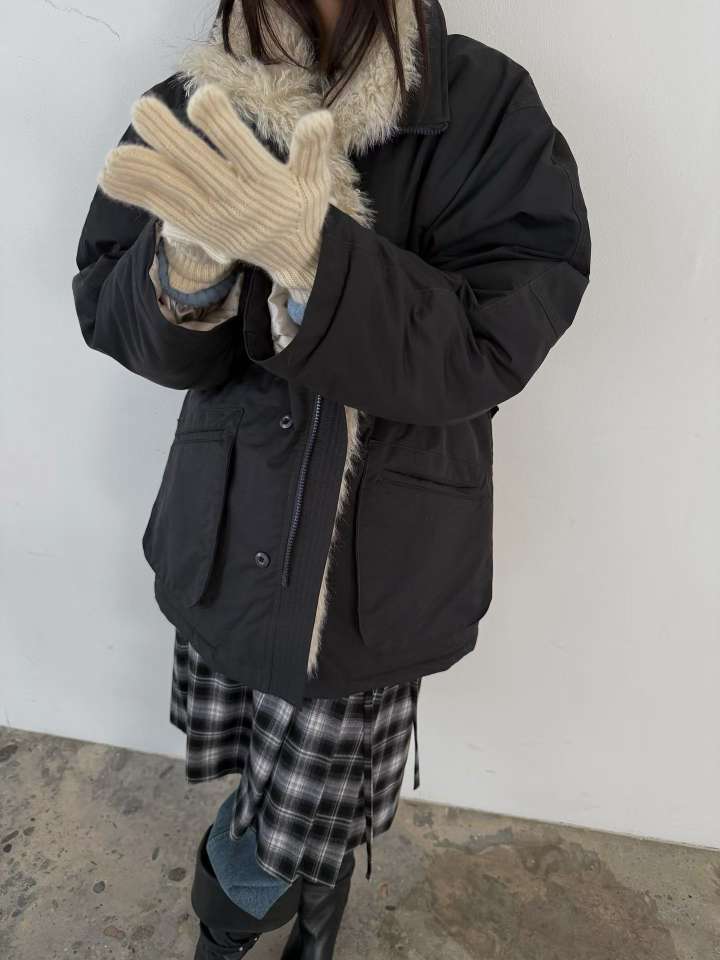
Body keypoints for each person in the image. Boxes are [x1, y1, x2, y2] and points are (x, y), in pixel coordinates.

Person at [71, 0, 591, 956]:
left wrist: (319, 263)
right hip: (229, 529)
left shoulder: (484, 103)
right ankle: (316, 909)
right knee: (272, 784)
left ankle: (229, 922)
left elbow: (493, 341)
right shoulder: (198, 102)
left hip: (373, 564)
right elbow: (112, 311)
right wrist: (185, 273)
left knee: (294, 815)